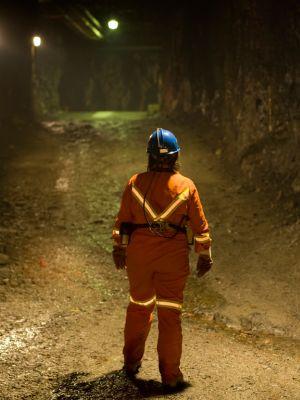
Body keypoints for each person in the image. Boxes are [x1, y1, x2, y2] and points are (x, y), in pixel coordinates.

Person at [112, 128, 212, 389]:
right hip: (173, 259)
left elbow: (122, 223)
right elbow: (200, 227)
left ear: (149, 156)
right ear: (176, 156)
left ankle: (131, 363)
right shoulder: (187, 186)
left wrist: (119, 248)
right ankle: (170, 376)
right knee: (169, 316)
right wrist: (204, 255)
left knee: (138, 308)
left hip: (140, 258)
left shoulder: (135, 182)